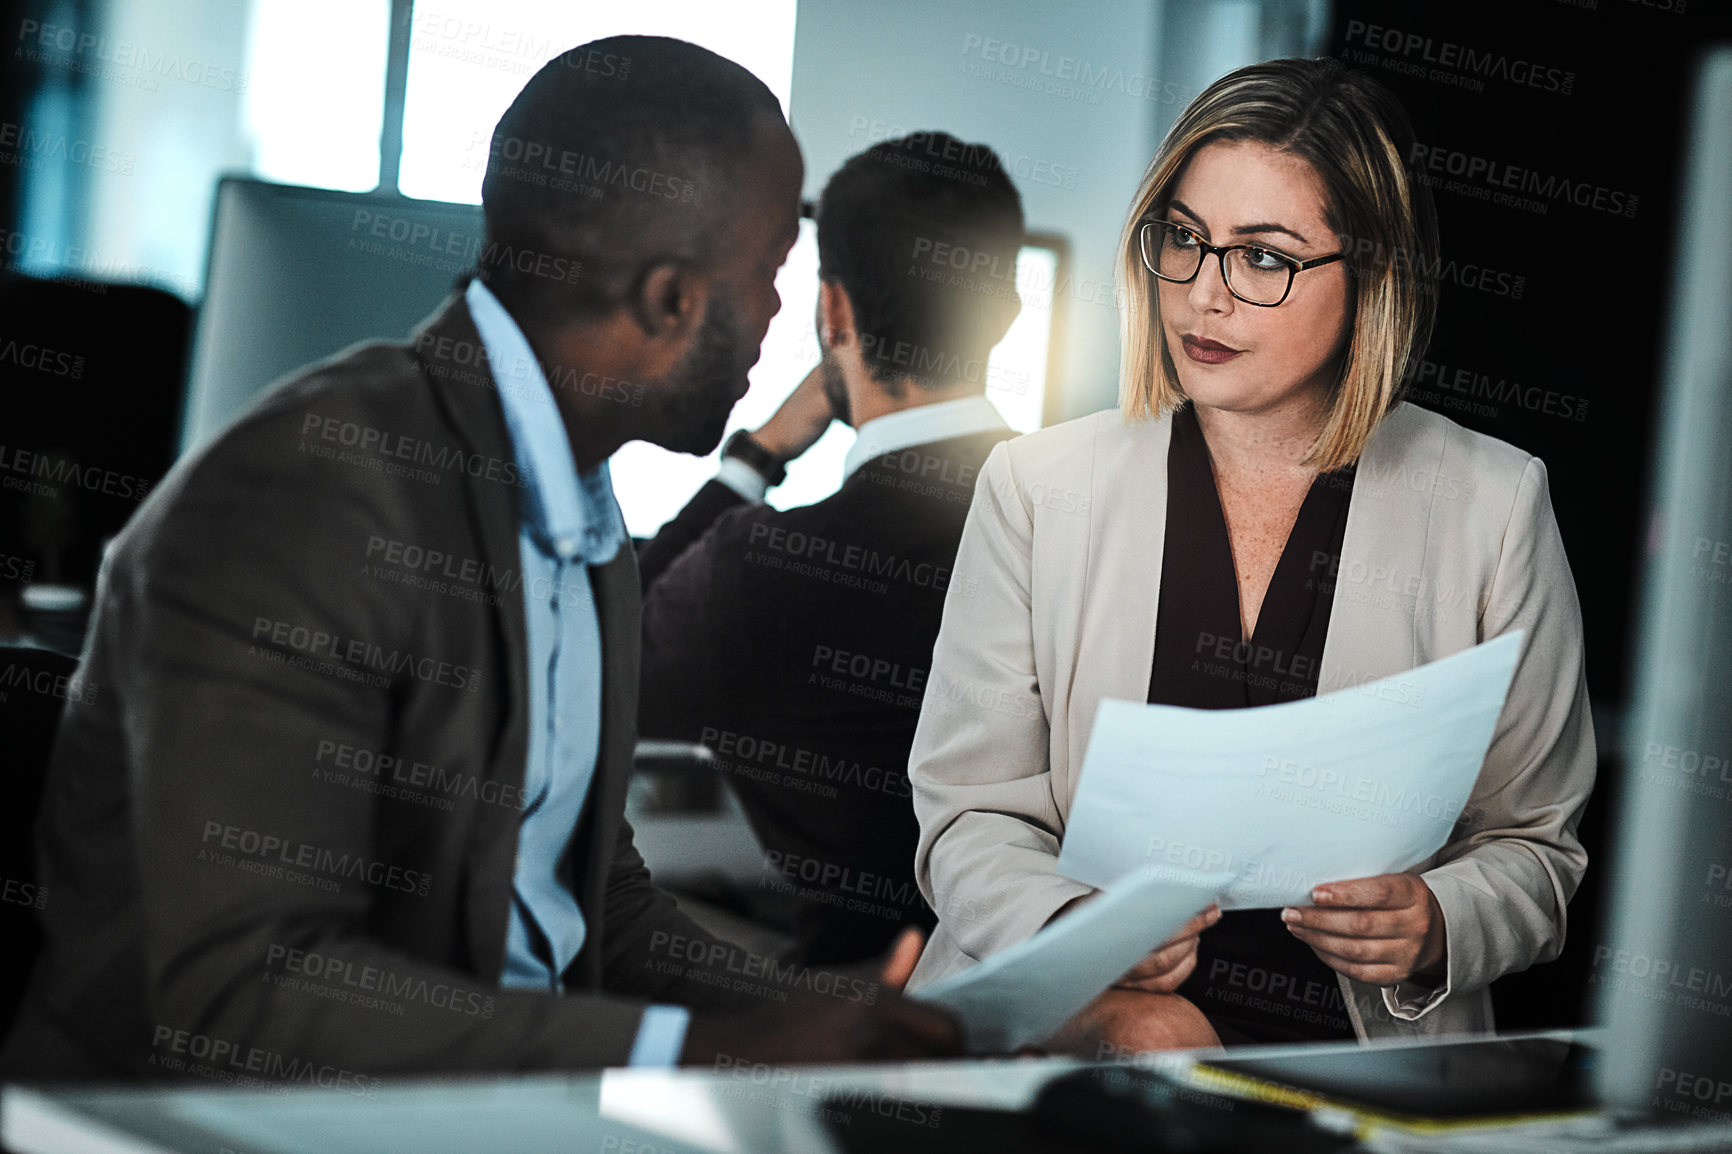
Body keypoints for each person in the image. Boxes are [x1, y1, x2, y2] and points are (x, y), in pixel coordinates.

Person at [0, 36, 958, 1082]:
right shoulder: (307, 497)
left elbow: (589, 895)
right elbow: (246, 989)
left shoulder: (575, 508)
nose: (780, 318)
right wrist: (709, 1047)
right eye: (771, 274)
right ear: (670, 300)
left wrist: (831, 1015)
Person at [904, 57, 1595, 1053]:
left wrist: (1437, 918)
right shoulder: (1038, 485)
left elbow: (1535, 846)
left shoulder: (1491, 502)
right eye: (1183, 240)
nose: (1202, 297)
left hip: (1352, 1056)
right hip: (1074, 1031)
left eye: (1263, 258)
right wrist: (1067, 923)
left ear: (1373, 275)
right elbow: (967, 814)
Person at [637, 133, 1025, 965]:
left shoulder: (765, 567)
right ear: (1006, 312)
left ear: (833, 312)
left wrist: (758, 453)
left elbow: (597, 656)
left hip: (851, 1025)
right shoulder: (1090, 515)